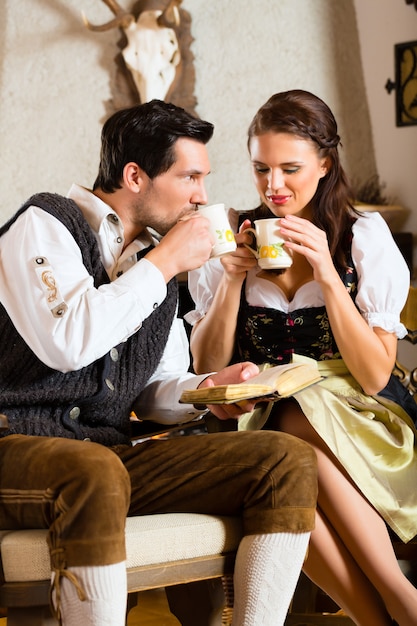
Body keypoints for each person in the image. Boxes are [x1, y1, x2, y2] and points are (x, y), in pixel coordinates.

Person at [0, 100, 318, 626]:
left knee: (283, 461)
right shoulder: (44, 224)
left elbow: (155, 387)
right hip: (16, 444)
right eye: (190, 177)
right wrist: (166, 260)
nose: (204, 197)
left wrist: (210, 389)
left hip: (102, 457)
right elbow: (68, 342)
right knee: (94, 471)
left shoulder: (156, 262)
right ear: (134, 176)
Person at [187, 89, 417, 626]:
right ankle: (392, 614)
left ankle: (398, 602)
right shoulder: (232, 239)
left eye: (290, 169)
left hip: (358, 415)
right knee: (278, 475)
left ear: (325, 163)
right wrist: (231, 280)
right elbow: (207, 362)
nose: (273, 186)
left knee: (291, 422)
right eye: (261, 168)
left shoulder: (362, 237)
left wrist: (328, 276)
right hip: (257, 416)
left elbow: (375, 374)